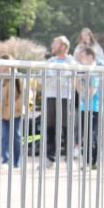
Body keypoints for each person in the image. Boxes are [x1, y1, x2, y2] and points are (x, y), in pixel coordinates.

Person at [43, 36, 76, 165]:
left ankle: (69, 157)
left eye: (55, 43)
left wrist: (56, 78)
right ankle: (50, 157)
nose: (52, 46)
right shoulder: (50, 60)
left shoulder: (71, 61)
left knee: (66, 127)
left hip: (65, 97)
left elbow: (69, 76)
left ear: (63, 46)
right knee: (50, 126)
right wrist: (60, 78)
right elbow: (46, 77)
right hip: (51, 95)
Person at [0, 55, 25, 168]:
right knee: (4, 136)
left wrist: (17, 107)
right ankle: (5, 160)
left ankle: (17, 161)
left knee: (16, 136)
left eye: (2, 63)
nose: (1, 66)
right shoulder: (0, 78)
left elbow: (24, 95)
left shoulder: (18, 77)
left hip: (15, 112)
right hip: (3, 112)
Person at [75, 47, 101, 169]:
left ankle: (91, 161)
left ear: (91, 57)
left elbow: (91, 92)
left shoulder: (95, 71)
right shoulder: (82, 71)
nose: (81, 59)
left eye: (83, 56)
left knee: (92, 135)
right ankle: (90, 161)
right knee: (86, 135)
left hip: (93, 108)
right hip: (84, 107)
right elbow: (77, 88)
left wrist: (81, 88)